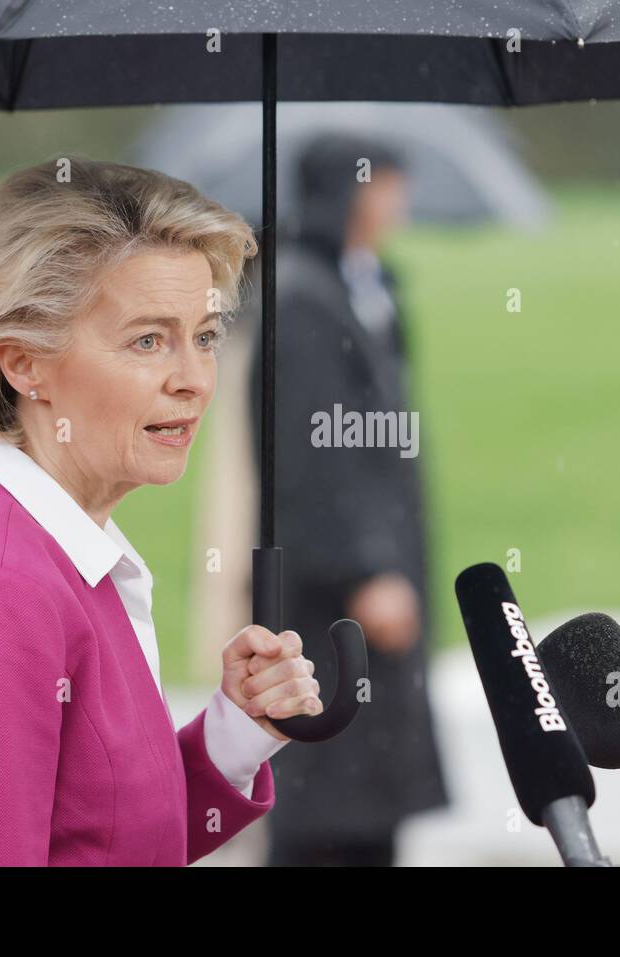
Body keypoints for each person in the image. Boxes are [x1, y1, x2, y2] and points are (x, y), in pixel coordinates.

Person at [0, 159, 322, 866]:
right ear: (23, 362)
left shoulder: (62, 554)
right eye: (147, 340)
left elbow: (104, 839)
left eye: (204, 336)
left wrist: (234, 733)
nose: (193, 381)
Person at [249, 134, 449, 867]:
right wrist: (366, 569)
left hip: (380, 569)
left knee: (374, 793)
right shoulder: (302, 300)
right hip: (330, 595)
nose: (398, 200)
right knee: (325, 791)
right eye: (385, 183)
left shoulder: (370, 287)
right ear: (349, 191)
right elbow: (307, 457)